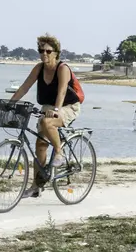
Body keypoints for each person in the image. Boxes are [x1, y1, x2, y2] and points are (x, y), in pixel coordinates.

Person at [8, 34, 81, 196]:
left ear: (56, 52)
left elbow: (61, 92)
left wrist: (56, 111)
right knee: (40, 145)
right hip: (48, 105)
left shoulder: (63, 68)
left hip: (68, 105)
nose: (44, 54)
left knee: (48, 123)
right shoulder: (39, 68)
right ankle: (36, 187)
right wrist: (10, 103)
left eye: (48, 51)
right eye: (41, 51)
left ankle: (59, 154)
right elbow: (24, 88)